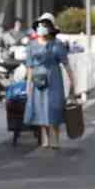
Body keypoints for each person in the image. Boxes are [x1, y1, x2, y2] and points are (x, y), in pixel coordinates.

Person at [24, 12, 75, 149]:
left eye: (46, 25)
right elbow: (29, 67)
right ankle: (45, 139)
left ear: (51, 27)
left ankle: (55, 139)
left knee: (54, 108)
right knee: (40, 108)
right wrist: (28, 85)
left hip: (54, 80)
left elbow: (66, 64)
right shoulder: (32, 45)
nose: (43, 27)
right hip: (37, 81)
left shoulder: (57, 44)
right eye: (41, 24)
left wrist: (72, 81)